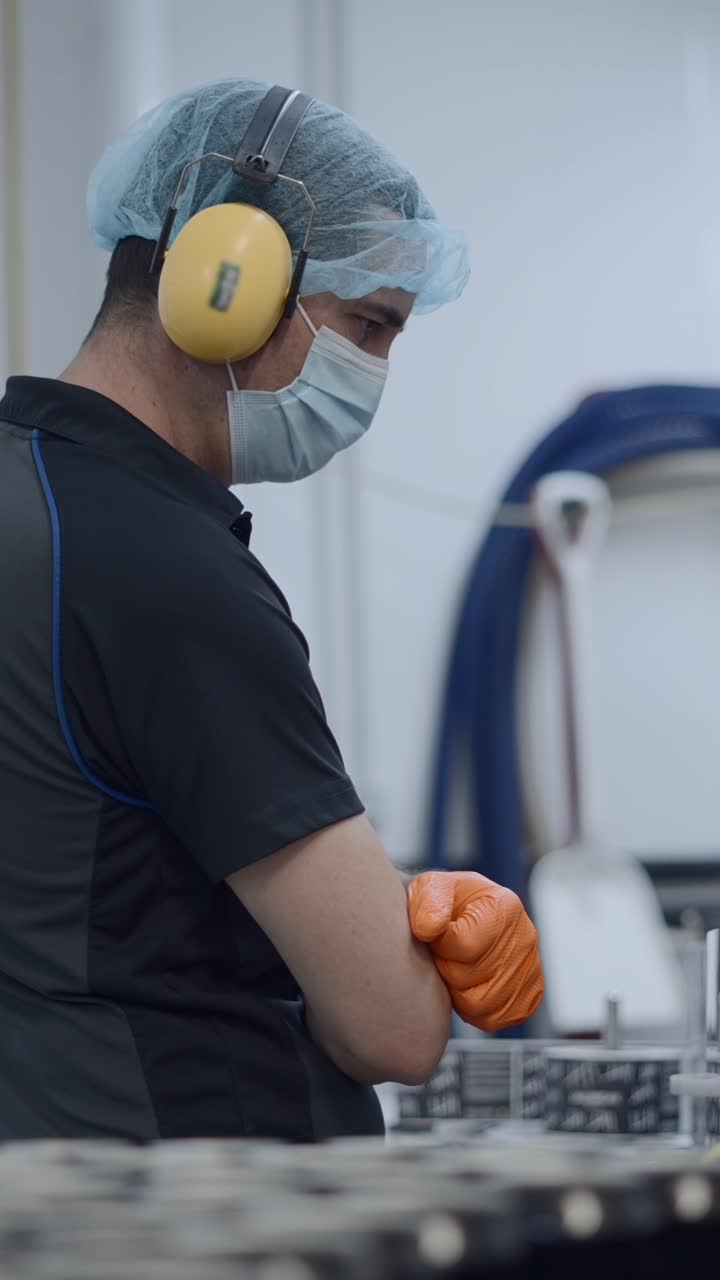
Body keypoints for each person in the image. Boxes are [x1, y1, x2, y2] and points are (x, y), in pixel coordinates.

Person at [0, 78, 543, 1141]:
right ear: (224, 283)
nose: (373, 374)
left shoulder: (30, 506)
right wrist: (414, 936)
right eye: (369, 325)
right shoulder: (163, 565)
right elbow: (389, 1027)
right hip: (191, 1201)